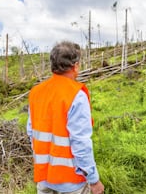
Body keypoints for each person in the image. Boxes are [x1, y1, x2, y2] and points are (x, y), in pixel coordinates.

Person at [27, 41, 104, 194]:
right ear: (75, 65)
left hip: (43, 177)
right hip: (70, 181)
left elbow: (31, 133)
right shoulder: (76, 95)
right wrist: (94, 180)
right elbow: (80, 142)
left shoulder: (36, 92)